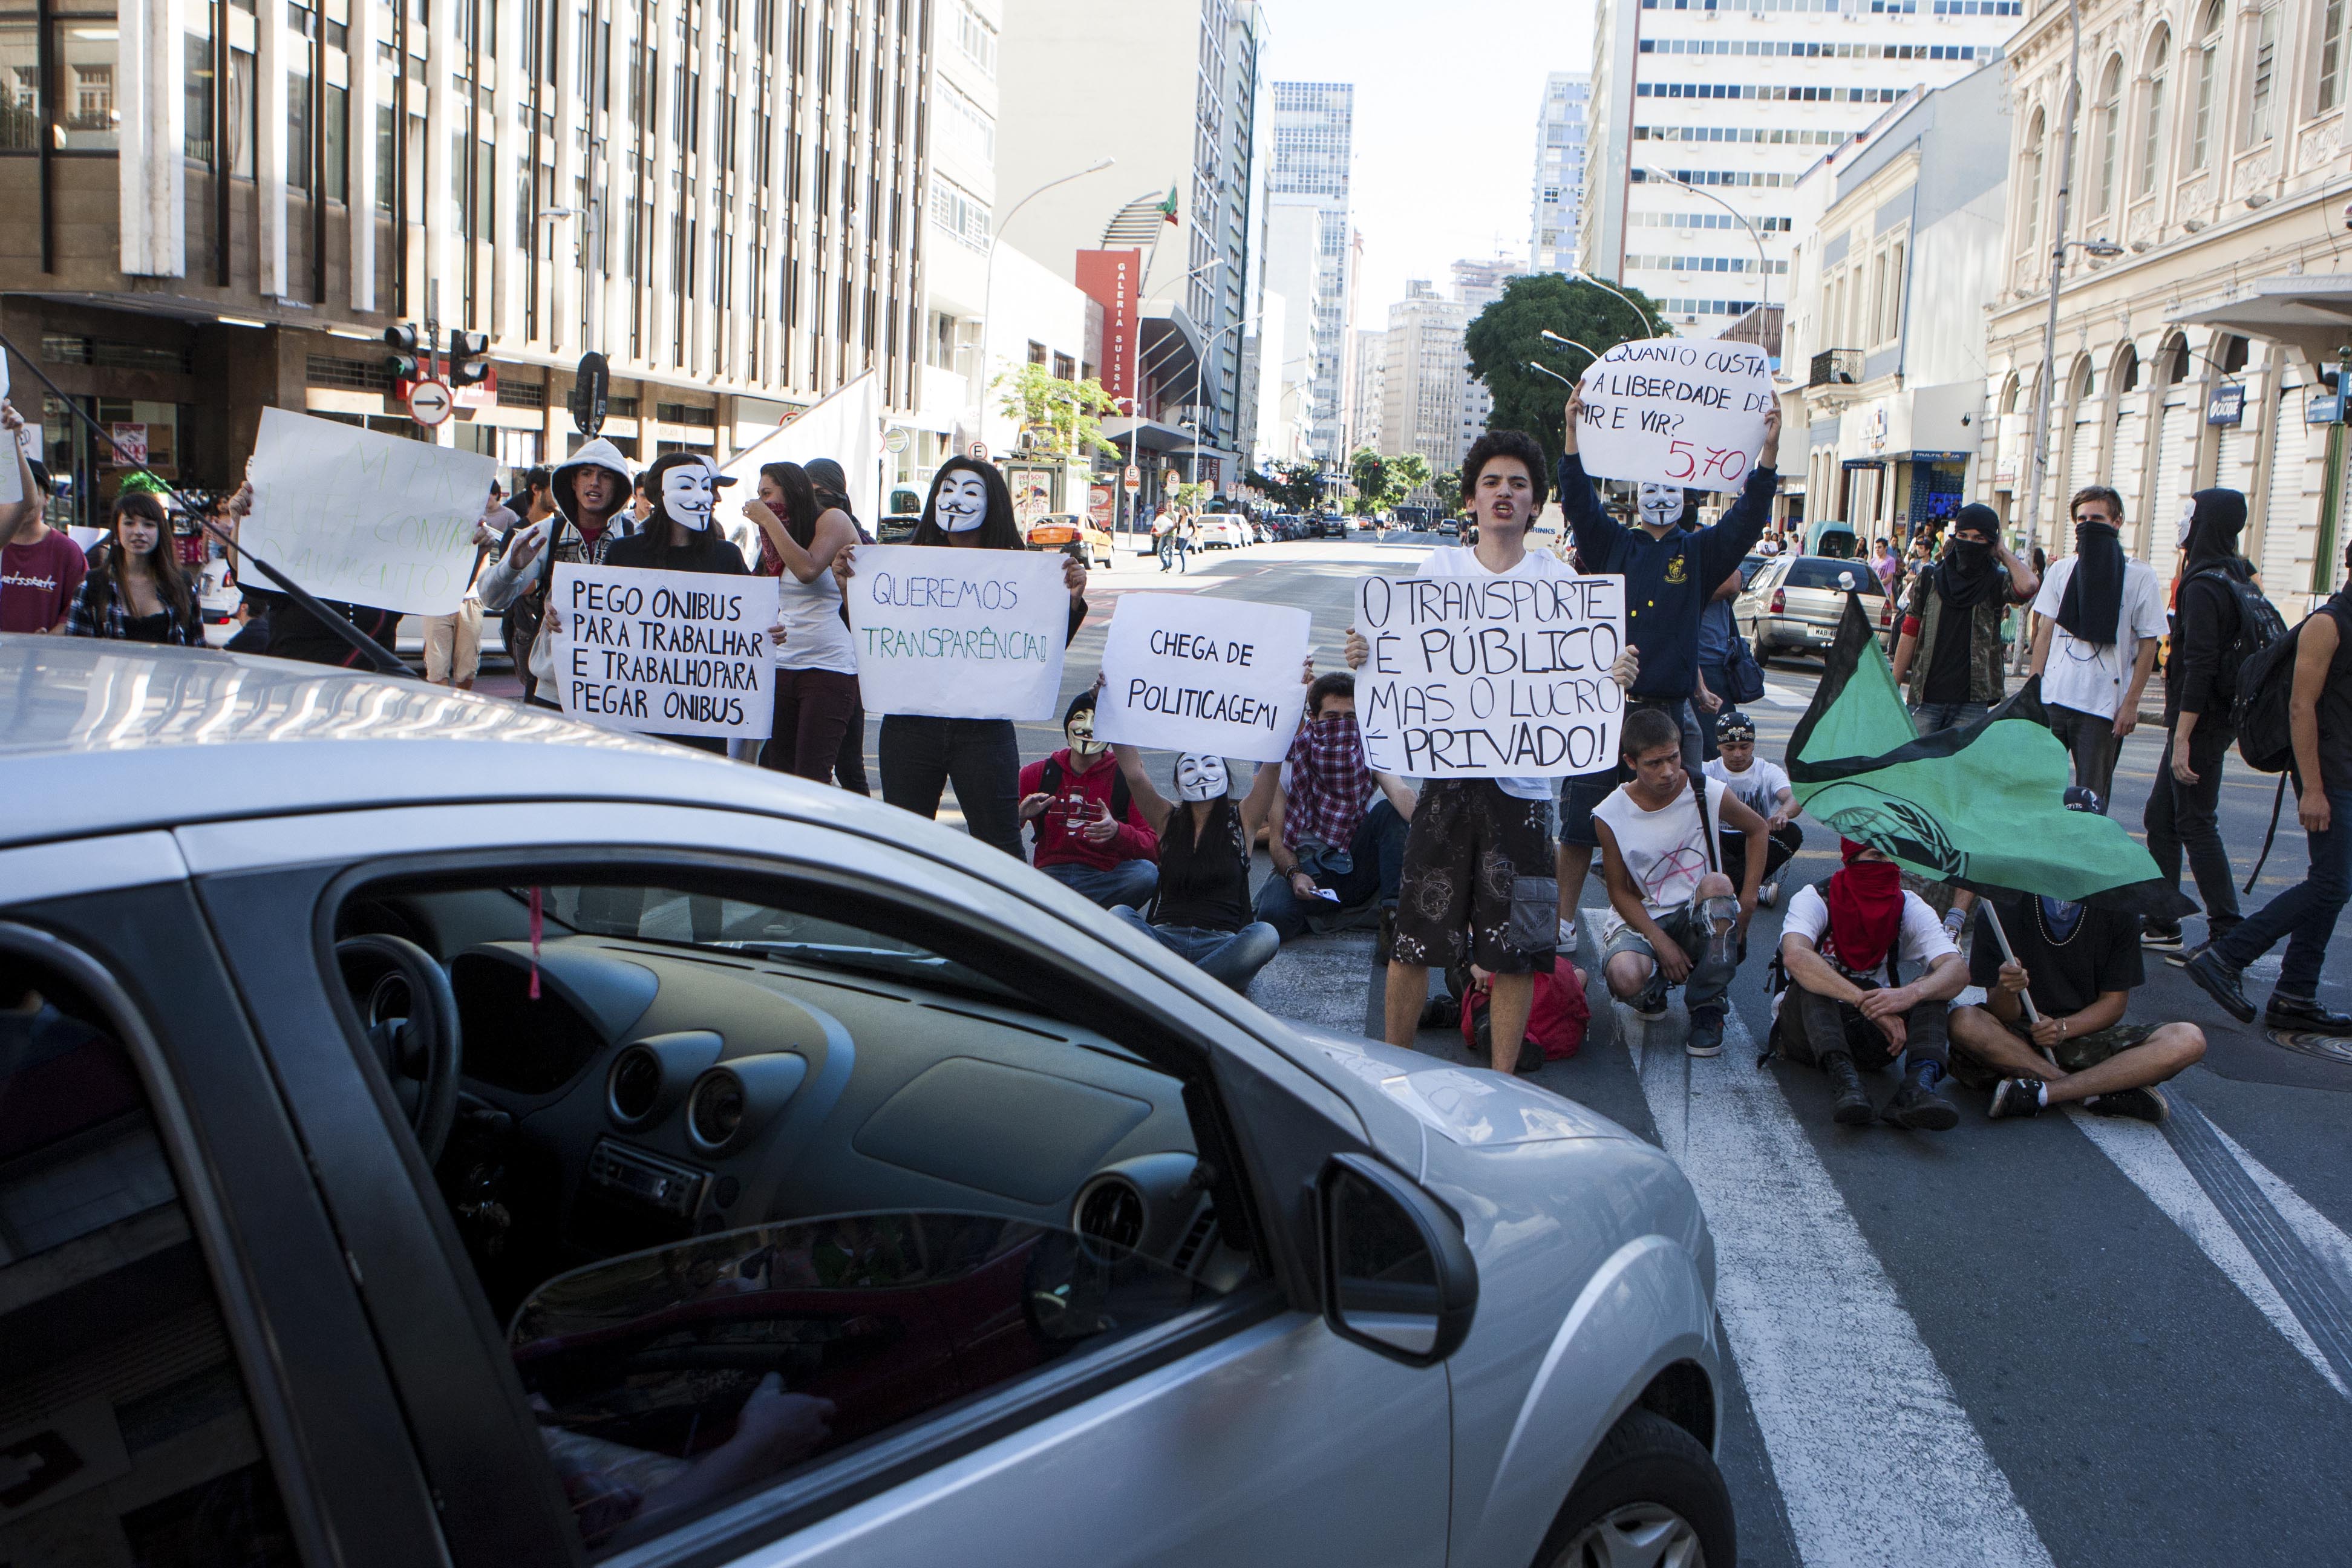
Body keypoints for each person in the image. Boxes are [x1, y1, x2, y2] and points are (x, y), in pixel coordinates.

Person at [1344, 430, 1579, 1074]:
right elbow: (1396, 665)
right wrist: (1367, 656)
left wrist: (1611, 673)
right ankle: (1397, 1069)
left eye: (1519, 484)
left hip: (1525, 794)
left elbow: (1580, 679)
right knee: (1414, 940)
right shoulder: (1435, 574)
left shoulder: (1561, 584)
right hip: (1447, 786)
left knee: (1517, 949)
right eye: (1492, 483)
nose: (1505, 493)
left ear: (1536, 504)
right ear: (1472, 500)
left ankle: (1502, 1082)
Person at [834, 457, 1088, 856]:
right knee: (904, 850)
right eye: (946, 490)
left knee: (1001, 847)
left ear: (994, 504)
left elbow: (1037, 653)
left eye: (970, 492)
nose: (955, 501)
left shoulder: (1022, 571)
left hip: (983, 730)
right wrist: (850, 591)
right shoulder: (901, 566)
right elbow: (878, 642)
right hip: (910, 727)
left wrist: (1068, 604)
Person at [1560, 391, 1782, 771]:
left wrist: (1769, 453)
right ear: (1635, 497)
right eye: (1650, 488)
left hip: (1673, 714)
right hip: (1610, 708)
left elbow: (1746, 520)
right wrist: (1572, 433)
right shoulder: (1615, 544)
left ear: (1686, 496)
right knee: (1596, 824)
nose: (1660, 497)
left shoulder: (1700, 552)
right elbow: (1580, 504)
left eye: (1670, 489)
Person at [2184, 549, 2352, 1036]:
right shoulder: (2330, 623)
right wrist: (2313, 789)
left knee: (2332, 884)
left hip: (2345, 772)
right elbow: (2302, 708)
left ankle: (2296, 993)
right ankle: (2227, 957)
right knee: (2332, 885)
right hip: (2328, 774)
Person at [1952, 829, 2207, 1124]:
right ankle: (2093, 1091)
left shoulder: (2117, 906)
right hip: (2017, 1040)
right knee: (1964, 1021)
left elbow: (2113, 1003)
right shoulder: (2003, 907)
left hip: (2085, 1033)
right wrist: (2009, 989)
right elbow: (2001, 1013)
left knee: (2188, 1039)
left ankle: (2044, 1092)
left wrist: (2063, 1028)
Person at [1592, 706, 1769, 1059]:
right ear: (1630, 761)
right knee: (1626, 977)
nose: (1668, 772)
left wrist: (1748, 900)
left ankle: (1707, 1005)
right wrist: (1661, 943)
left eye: (1673, 758)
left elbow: (1758, 829)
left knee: (1719, 885)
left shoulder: (1705, 790)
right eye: (1654, 764)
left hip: (1698, 910)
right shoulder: (1610, 813)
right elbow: (1619, 892)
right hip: (1647, 917)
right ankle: (1652, 989)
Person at [1771, 838, 1968, 1128]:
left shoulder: (1908, 906)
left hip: (1877, 1037)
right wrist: (1866, 1003)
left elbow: (1957, 970)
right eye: (1876, 856)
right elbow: (1796, 957)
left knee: (1936, 988)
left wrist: (1910, 995)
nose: (1886, 866)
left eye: (1892, 857)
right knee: (1812, 979)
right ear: (1851, 860)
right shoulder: (1815, 897)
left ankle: (1917, 1089)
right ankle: (1846, 1083)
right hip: (1808, 1033)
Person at [2142, 489, 2255, 955]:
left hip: (2202, 722)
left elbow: (2200, 665)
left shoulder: (2205, 584)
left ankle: (2228, 930)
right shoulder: (2238, 573)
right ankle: (2164, 920)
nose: (2180, 525)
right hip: (2212, 719)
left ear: (2206, 524)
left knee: (2194, 821)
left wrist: (2182, 736)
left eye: (2189, 516)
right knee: (2162, 818)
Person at [599, 452, 768, 754]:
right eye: (688, 487)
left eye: (706, 487)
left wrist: (769, 631)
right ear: (659, 495)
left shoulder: (726, 556)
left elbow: (752, 621)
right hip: (637, 715)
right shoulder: (623, 554)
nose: (705, 497)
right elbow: (600, 622)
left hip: (702, 718)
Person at [1247, 672, 1416, 943]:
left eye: (1350, 718)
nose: (1342, 726)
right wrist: (1294, 875)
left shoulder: (1371, 750)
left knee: (1388, 812)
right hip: (1308, 866)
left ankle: (1393, 917)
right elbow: (1278, 843)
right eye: (1332, 718)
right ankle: (1354, 914)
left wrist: (1428, 822)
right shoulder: (1285, 763)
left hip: (1354, 859)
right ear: (1313, 719)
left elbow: (1400, 792)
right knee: (1275, 918)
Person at [477, 437, 639, 707]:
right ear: (573, 483)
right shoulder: (546, 534)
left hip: (616, 692)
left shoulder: (635, 538)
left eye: (606, 476)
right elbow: (492, 599)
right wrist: (512, 567)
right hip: (553, 689)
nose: (595, 483)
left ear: (619, 487)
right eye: (586, 474)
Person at [2029, 486, 2164, 808]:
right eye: (2082, 519)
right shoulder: (2062, 571)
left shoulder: (2139, 576)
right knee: (2038, 791)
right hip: (2053, 698)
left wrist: (2131, 704)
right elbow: (2046, 632)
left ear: (2117, 522)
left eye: (2098, 519)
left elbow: (2149, 645)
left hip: (2102, 707)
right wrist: (2032, 691)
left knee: (2091, 800)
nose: (2088, 525)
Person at [1103, 746, 1278, 991]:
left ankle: (1176, 986)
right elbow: (1134, 775)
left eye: (1210, 765)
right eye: (1188, 768)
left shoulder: (1244, 820)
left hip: (1220, 946)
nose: (1200, 773)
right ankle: (1199, 989)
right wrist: (1116, 720)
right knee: (1119, 915)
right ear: (1177, 782)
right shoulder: (1166, 819)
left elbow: (1272, 768)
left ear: (1226, 776)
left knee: (1266, 935)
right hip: (1165, 941)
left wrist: (1285, 722)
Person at [744, 461, 861, 782]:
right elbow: (766, 593)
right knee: (781, 773)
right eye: (758, 496)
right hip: (783, 664)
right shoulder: (779, 535)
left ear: (794, 491)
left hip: (829, 667)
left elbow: (807, 570)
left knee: (814, 774)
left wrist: (769, 521)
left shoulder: (832, 520)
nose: (762, 503)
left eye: (768, 494)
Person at [1890, 503, 2038, 734]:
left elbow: (2029, 585)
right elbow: (1909, 633)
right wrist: (1893, 686)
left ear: (1991, 542)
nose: (1970, 543)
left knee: (1959, 770)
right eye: (1963, 536)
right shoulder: (1930, 579)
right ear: (1955, 537)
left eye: (1979, 539)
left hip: (1971, 704)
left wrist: (2002, 551)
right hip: (1927, 699)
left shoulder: (1995, 583)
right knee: (1915, 766)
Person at [1018, 691, 1158, 909]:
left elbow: (1155, 846)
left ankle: (1067, 913)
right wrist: (1018, 815)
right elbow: (996, 833)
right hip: (1050, 876)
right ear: (1068, 725)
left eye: (1098, 722)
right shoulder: (1038, 773)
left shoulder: (1125, 779)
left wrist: (1118, 832)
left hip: (1103, 876)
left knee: (1146, 874)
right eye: (1081, 718)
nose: (1088, 729)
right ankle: (1082, 915)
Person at [799, 457, 874, 795]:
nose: (816, 504)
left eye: (822, 494)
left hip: (844, 665)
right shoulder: (795, 535)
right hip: (796, 662)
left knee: (848, 766)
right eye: (808, 493)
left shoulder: (861, 544)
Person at [64, 490, 200, 644]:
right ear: (116, 530)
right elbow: (77, 655)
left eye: (148, 525)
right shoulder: (91, 588)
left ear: (160, 532)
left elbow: (198, 653)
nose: (139, 532)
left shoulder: (183, 586)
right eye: (129, 523)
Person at [0, 402, 84, 634]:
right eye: (10, 490)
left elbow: (75, 614)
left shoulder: (67, 552)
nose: (15, 499)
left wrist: (11, 439)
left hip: (41, 665)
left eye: (26, 489)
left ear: (47, 498)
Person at [1702, 711, 1800, 906]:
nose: (1738, 754)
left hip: (1756, 837)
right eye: (1730, 748)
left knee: (1793, 833)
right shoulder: (1708, 770)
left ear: (1753, 744)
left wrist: (1783, 813)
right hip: (1719, 838)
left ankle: (1728, 887)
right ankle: (1754, 888)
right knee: (1696, 833)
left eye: (1744, 747)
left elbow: (1793, 797)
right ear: (1719, 746)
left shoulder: (1767, 771)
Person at [423, 488, 508, 689]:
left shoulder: (479, 522)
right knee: (437, 667)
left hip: (470, 599)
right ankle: (442, 713)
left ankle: (459, 710)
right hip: (436, 598)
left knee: (467, 666)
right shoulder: (432, 522)